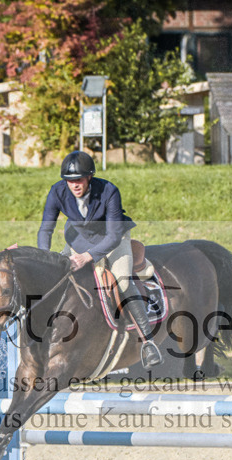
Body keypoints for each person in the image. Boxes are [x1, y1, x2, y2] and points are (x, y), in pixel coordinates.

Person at [37, 151, 162, 368]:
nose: (74, 185)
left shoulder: (108, 191)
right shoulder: (57, 191)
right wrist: (44, 257)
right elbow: (46, 228)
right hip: (79, 238)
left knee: (122, 281)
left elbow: (113, 236)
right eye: (70, 181)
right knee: (55, 277)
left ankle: (147, 342)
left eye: (79, 180)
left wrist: (87, 257)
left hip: (113, 238)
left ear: (89, 178)